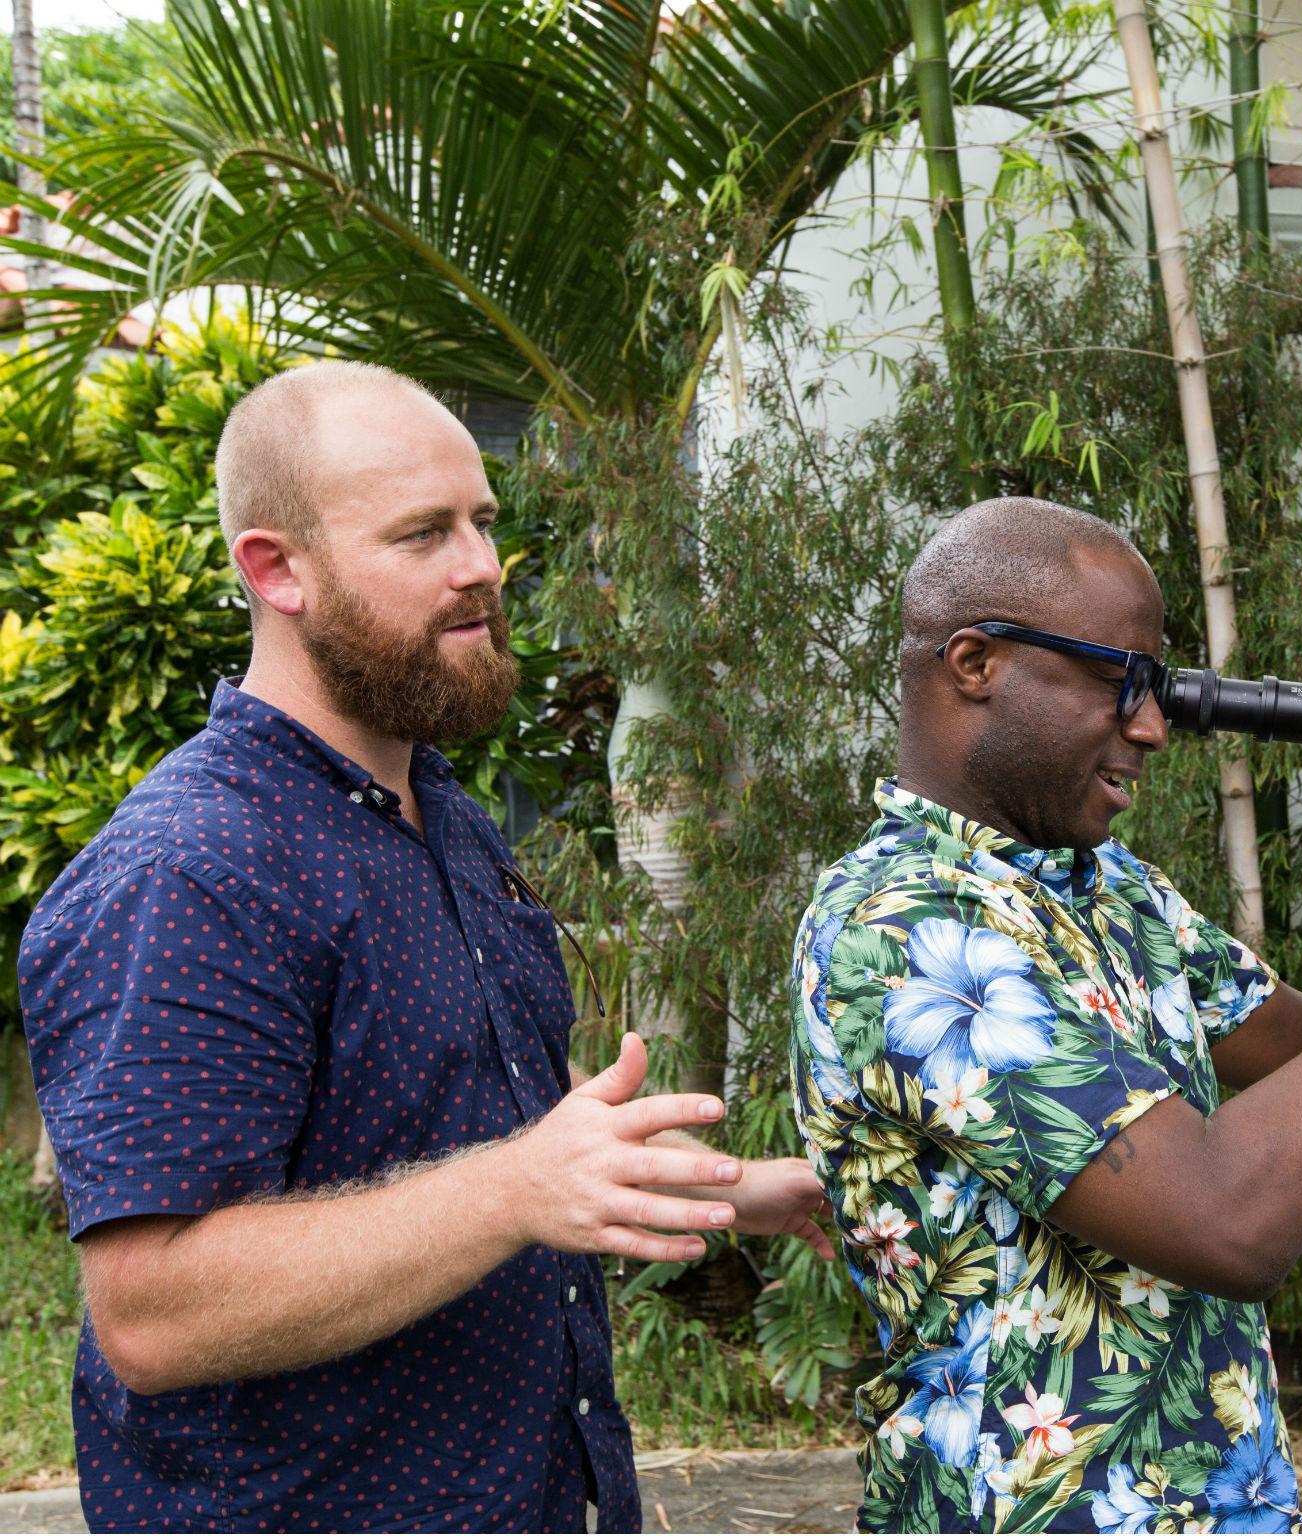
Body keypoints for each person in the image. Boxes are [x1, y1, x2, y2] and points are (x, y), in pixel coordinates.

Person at [19, 362, 831, 1533]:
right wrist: (517, 1188)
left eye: (483, 523)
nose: (481, 570)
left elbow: (470, 1111)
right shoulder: (188, 874)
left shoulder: (434, 807)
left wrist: (732, 1192)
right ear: (275, 569)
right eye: (421, 534)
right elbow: (153, 1313)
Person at [788, 498, 1302, 1533]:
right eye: (1117, 679)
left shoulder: (1098, 886)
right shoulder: (903, 929)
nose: (1150, 725)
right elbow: (1226, 1219)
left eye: (1156, 686)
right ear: (974, 662)